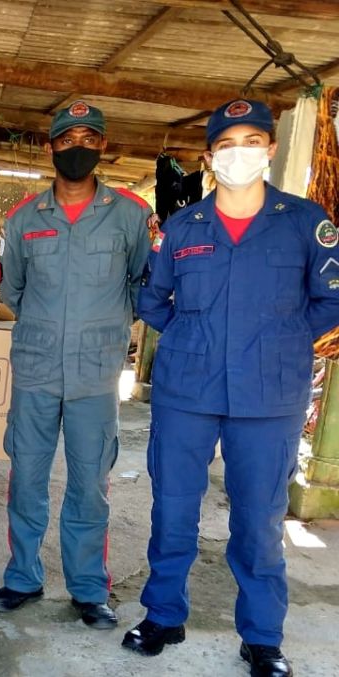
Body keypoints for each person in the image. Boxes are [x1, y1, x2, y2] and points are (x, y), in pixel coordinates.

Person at [124, 99, 339, 677]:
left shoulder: (303, 221)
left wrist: (281, 341)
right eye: (226, 144)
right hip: (186, 391)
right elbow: (152, 301)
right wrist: (198, 339)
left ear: (270, 149)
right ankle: (163, 615)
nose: (238, 152)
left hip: (269, 397)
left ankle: (263, 638)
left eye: (251, 140)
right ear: (210, 156)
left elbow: (331, 299)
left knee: (260, 521)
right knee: (172, 510)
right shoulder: (182, 227)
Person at [0, 101, 152, 629]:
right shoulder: (22, 219)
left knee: (90, 484)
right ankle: (22, 579)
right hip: (36, 370)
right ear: (51, 146)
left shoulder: (130, 214)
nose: (77, 145)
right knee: (27, 479)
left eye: (88, 136)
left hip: (96, 376)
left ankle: (88, 589)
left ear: (103, 145)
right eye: (67, 137)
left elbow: (138, 284)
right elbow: (13, 288)